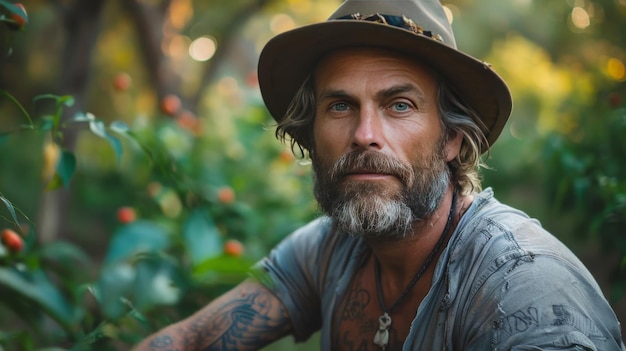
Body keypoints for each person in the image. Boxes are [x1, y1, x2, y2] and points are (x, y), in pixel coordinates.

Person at [132, 0, 626, 350]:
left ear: (453, 138)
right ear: (311, 133)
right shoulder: (330, 250)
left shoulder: (524, 289)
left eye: (400, 105)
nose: (365, 134)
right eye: (341, 105)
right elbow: (189, 341)